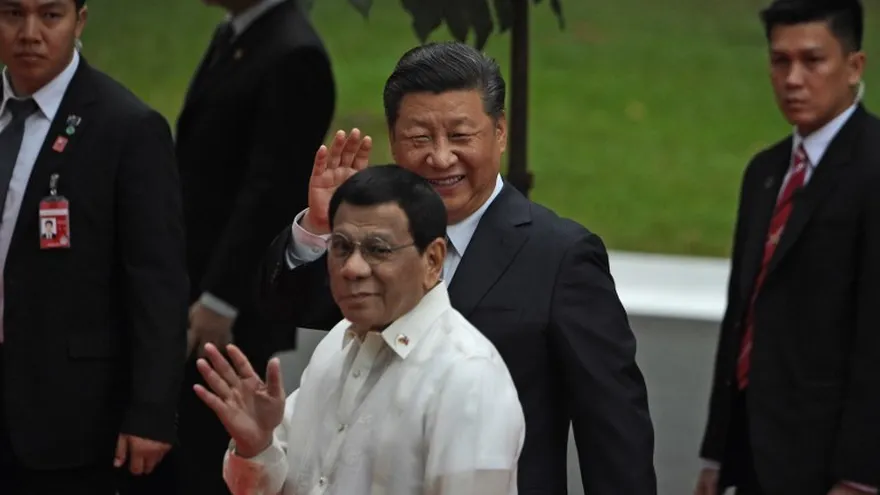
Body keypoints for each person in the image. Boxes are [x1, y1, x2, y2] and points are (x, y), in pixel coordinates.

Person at [258, 42, 656, 494]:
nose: (441, 157)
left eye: (461, 136)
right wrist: (321, 228)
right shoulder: (372, 239)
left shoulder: (560, 257)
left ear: (500, 133)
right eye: (419, 138)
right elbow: (292, 307)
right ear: (394, 140)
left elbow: (613, 430)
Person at [196, 164, 525, 494]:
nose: (352, 268)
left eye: (378, 249)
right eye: (341, 247)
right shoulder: (336, 344)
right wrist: (256, 446)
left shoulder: (468, 376)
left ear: (433, 260)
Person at [0, 0, 189, 494]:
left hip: (71, 410)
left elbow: (158, 282)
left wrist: (151, 410)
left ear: (80, 20)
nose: (29, 33)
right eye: (12, 14)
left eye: (50, 16)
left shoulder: (126, 128)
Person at [694, 1, 879, 494]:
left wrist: (861, 476)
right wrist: (716, 453)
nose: (793, 79)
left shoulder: (873, 168)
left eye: (812, 61)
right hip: (754, 453)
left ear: (854, 66)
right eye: (780, 61)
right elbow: (742, 315)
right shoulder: (765, 172)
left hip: (831, 463)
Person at [173, 0, 335, 492]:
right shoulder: (238, 34)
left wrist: (221, 298)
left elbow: (271, 190)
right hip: (197, 282)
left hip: (233, 303)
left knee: (212, 455)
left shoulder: (293, 54)